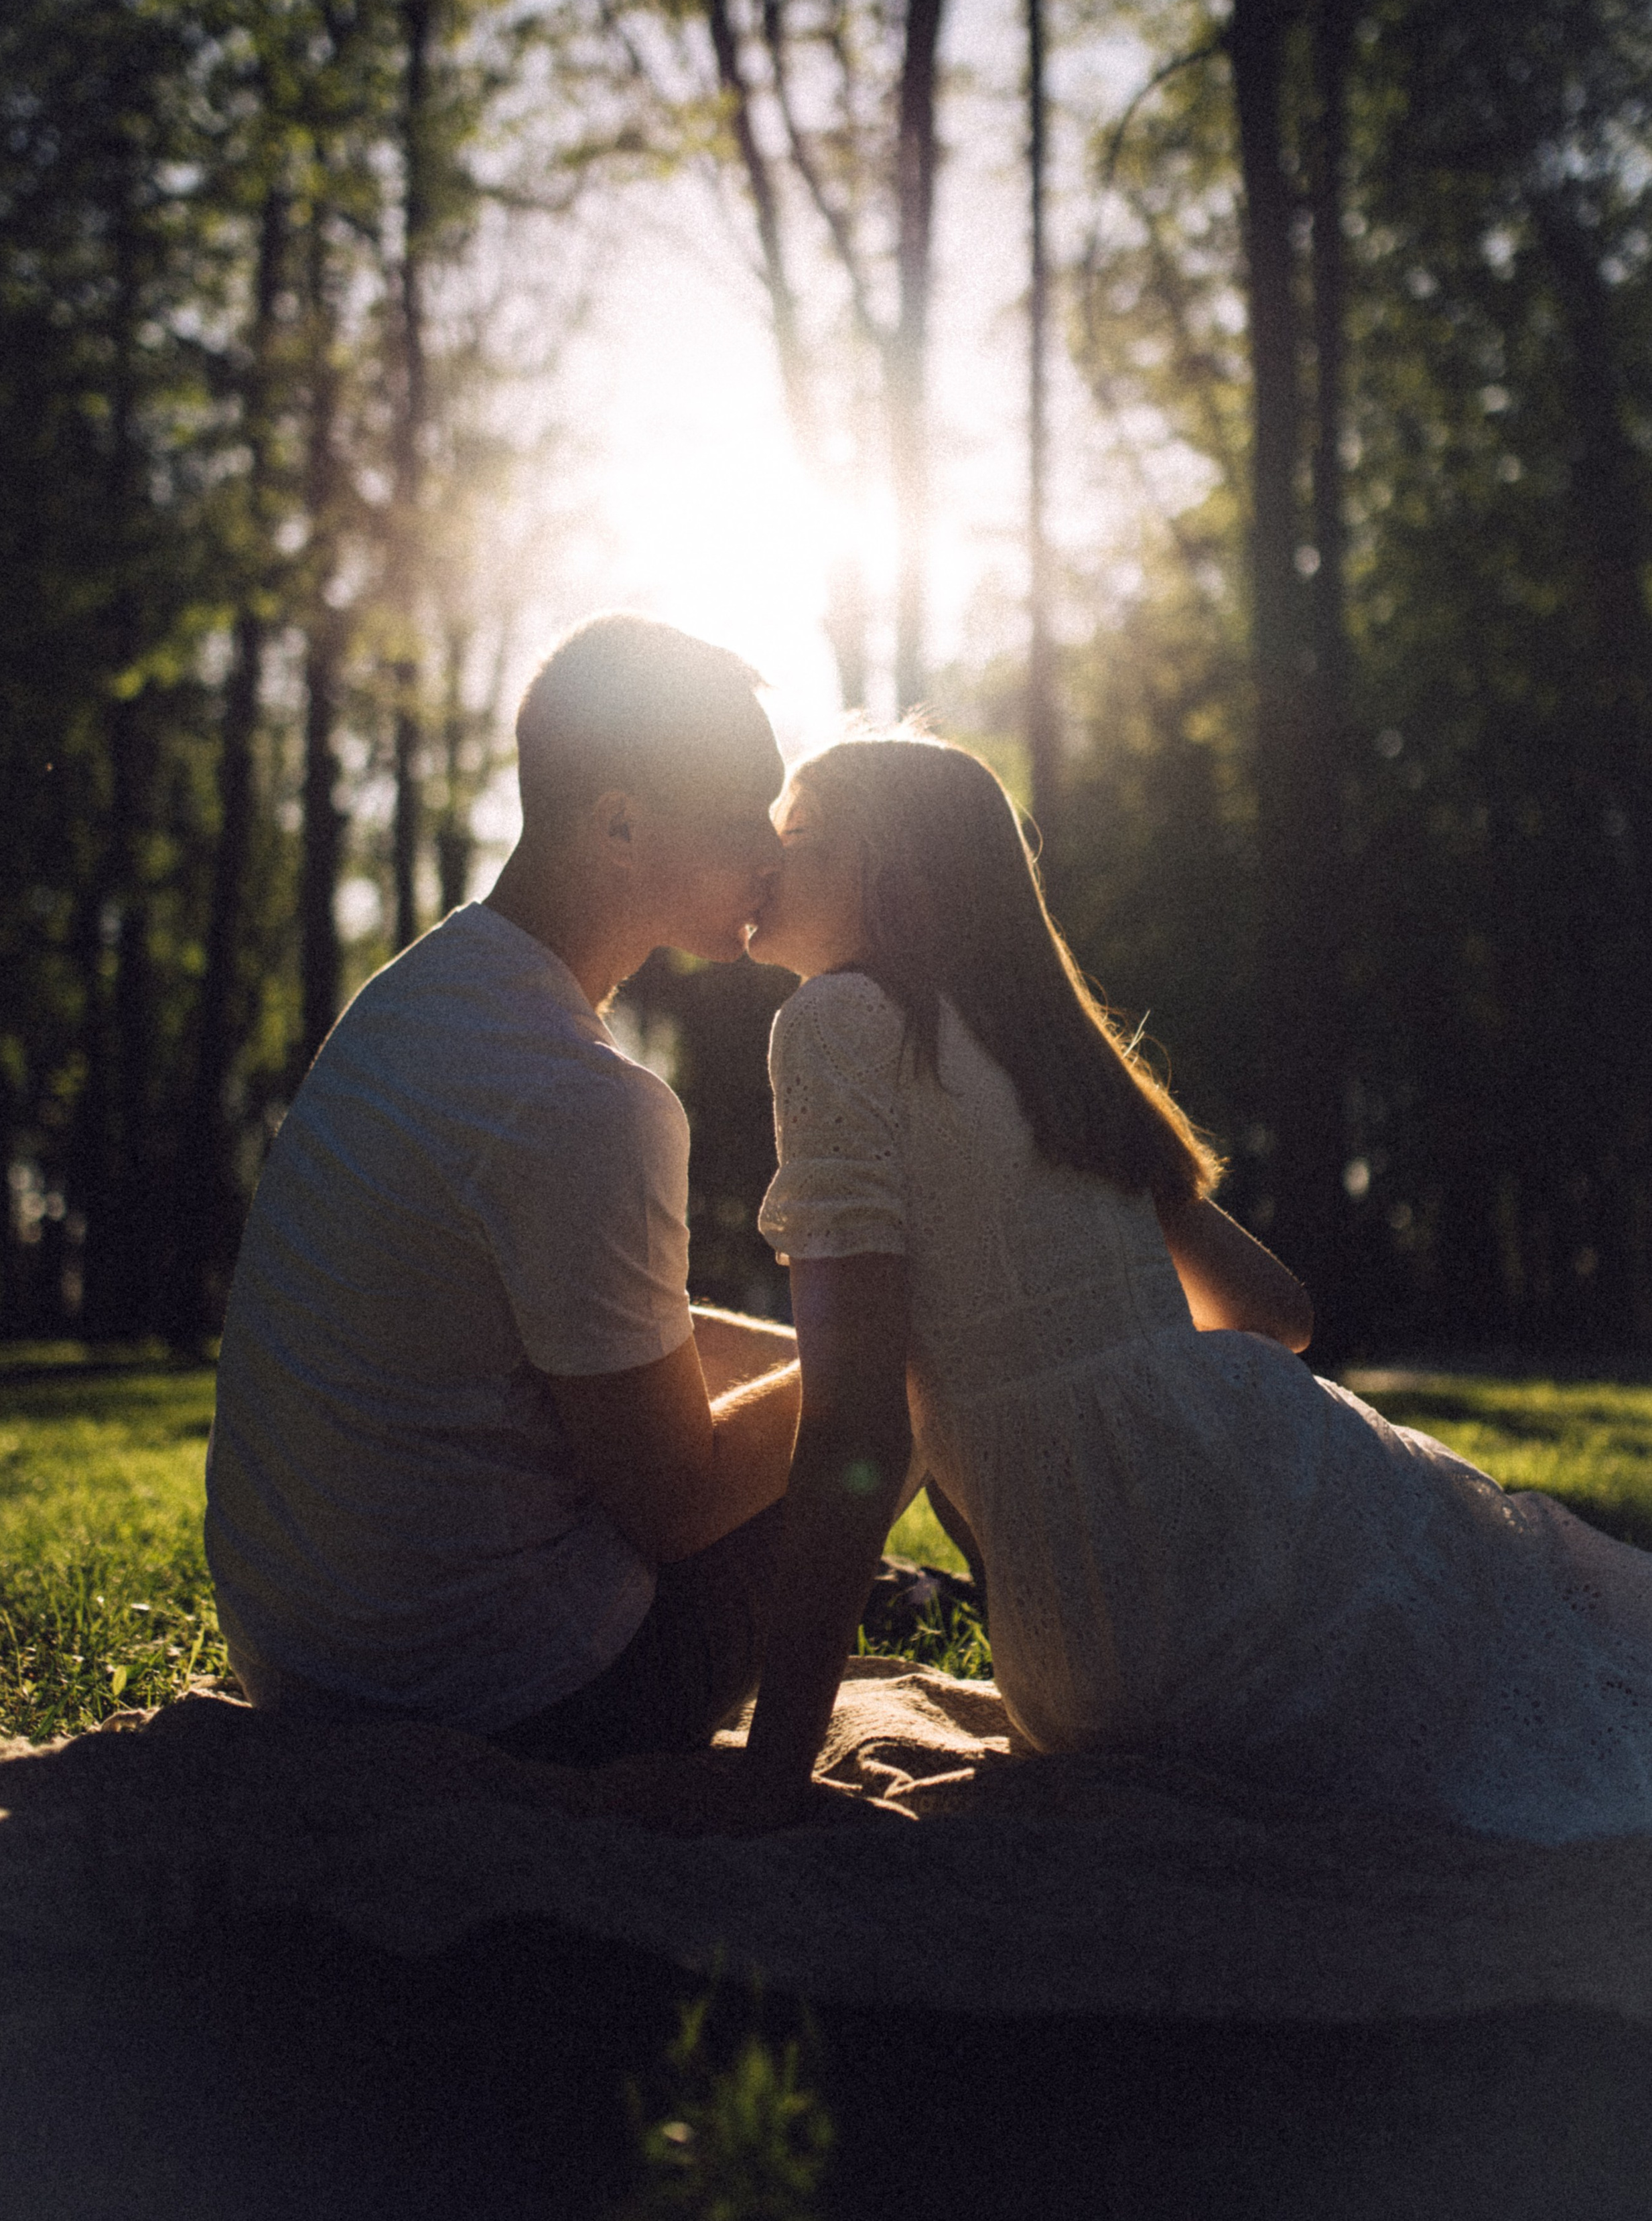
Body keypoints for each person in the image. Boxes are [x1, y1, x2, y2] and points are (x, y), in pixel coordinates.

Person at [726, 728, 1652, 1838]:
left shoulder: (831, 1024)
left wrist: (769, 1772)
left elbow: (854, 1426)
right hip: (1266, 1522)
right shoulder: (1045, 1051)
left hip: (1109, 1649)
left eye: (802, 836)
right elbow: (1281, 1314)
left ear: (901, 887)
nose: (764, 861)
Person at [204, 615, 803, 1761]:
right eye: (741, 815)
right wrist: (896, 1360)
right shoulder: (583, 1100)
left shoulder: (419, 1001)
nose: (769, 851)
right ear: (619, 821)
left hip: (304, 1664)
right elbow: (675, 1506)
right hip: (510, 1701)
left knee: (840, 1372)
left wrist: (808, 1357)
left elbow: (618, 1339)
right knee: (903, 1388)